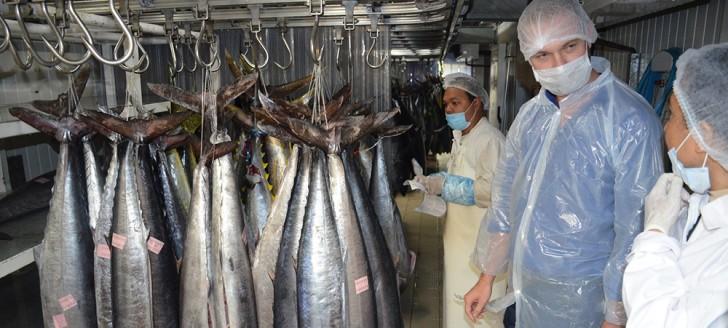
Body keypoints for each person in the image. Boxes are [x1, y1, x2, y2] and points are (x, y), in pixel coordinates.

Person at [463, 0, 664, 327]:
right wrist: (487, 276)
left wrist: (616, 314)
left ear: (587, 38)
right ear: (529, 59)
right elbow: (504, 201)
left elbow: (636, 226)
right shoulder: (530, 116)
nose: (559, 64)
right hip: (523, 288)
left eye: (569, 47)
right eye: (543, 55)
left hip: (584, 301)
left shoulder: (628, 119)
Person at [622, 43, 728, 327]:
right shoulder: (702, 203)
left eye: (671, 116)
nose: (665, 127)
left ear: (702, 136)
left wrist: (654, 237)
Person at [415, 73, 507, 327]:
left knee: (479, 317)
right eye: (446, 104)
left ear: (476, 103)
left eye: (455, 103)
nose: (448, 109)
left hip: (481, 253)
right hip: (459, 245)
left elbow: (496, 193)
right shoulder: (462, 138)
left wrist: (448, 185)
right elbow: (463, 181)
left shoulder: (490, 140)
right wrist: (436, 190)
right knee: (458, 314)